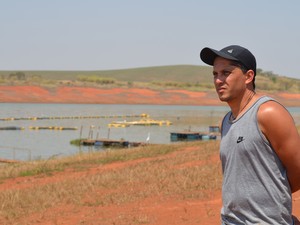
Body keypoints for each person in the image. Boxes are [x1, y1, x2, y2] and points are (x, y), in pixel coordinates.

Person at [200, 45, 300, 225]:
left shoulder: (268, 112)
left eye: (226, 73)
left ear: (248, 76)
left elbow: (298, 170)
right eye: (215, 74)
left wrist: (273, 199)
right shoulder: (226, 121)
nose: (218, 80)